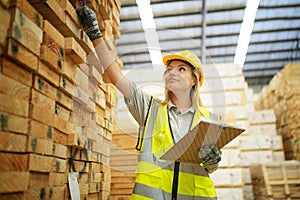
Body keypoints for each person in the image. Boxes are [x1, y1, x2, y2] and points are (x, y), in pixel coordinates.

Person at [76, 6, 222, 200]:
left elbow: (209, 168)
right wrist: (95, 33)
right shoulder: (150, 109)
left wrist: (213, 162)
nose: (172, 72)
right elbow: (116, 75)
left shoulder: (210, 120)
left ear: (194, 80)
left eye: (181, 69)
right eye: (169, 69)